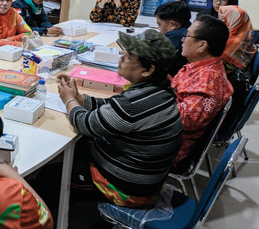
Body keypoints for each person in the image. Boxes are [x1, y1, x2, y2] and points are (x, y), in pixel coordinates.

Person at [57, 29, 182, 207]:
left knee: (48, 181)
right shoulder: (160, 91)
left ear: (147, 70)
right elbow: (112, 108)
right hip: (146, 178)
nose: (122, 54)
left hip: (127, 188)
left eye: (130, 55)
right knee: (77, 146)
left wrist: (68, 99)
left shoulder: (133, 104)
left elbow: (85, 124)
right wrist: (80, 98)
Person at [171, 15, 233, 171]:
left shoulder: (207, 80)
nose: (183, 40)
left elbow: (182, 121)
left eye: (187, 36)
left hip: (167, 147)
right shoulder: (201, 67)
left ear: (201, 45)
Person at [154, 0, 191, 76]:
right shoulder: (188, 28)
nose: (158, 28)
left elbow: (155, 59)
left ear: (173, 25)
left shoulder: (174, 36)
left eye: (159, 24)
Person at [218, 5, 256, 75]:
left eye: (223, 19)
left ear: (234, 20)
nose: (219, 22)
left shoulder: (232, 41)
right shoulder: (246, 35)